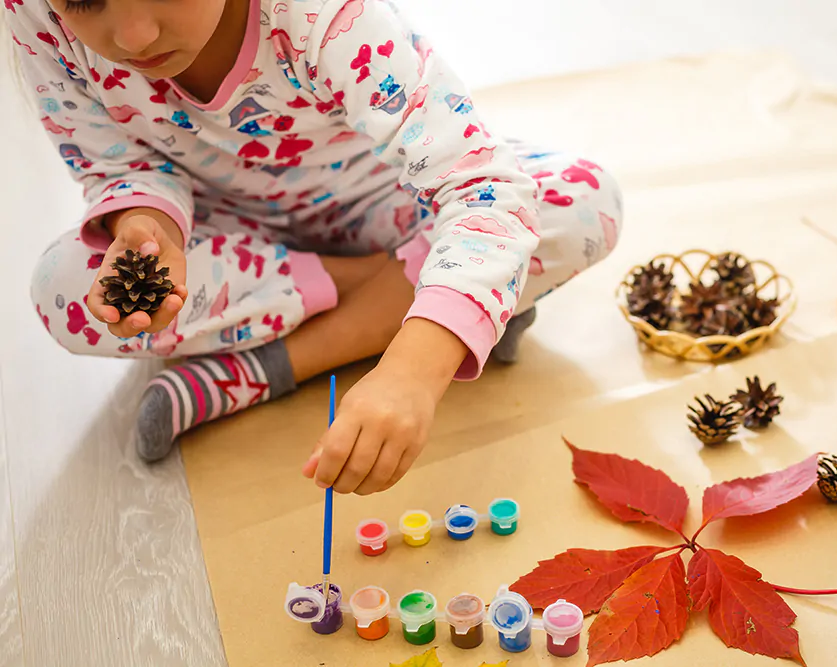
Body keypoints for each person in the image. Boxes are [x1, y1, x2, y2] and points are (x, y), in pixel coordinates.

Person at [7, 0, 622, 495]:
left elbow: (482, 183)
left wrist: (413, 372)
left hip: (388, 203)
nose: (136, 35)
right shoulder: (32, 11)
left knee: (585, 198)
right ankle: (436, 301)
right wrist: (148, 224)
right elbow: (116, 163)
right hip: (231, 235)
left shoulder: (323, 14)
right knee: (65, 291)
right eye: (85, 1)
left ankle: (260, 370)